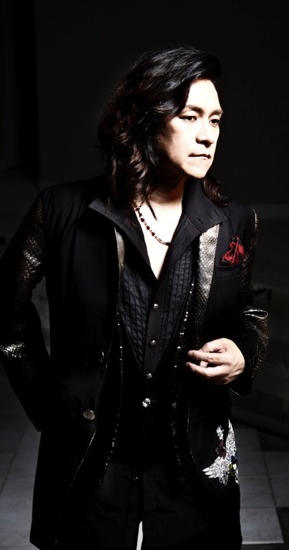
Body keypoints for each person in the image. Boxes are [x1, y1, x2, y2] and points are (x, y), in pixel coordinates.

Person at [0, 45, 268, 550]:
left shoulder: (235, 222)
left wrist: (243, 352)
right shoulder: (60, 209)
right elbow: (4, 310)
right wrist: (52, 404)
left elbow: (249, 312)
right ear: (145, 119)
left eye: (215, 119)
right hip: (91, 458)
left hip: (192, 457)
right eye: (189, 116)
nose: (207, 134)